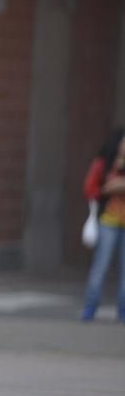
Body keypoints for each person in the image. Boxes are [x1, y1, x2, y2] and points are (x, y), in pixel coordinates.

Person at [81, 128, 125, 322]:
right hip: (108, 221)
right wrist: (108, 188)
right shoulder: (104, 164)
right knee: (101, 265)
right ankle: (90, 306)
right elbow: (90, 188)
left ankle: (123, 309)